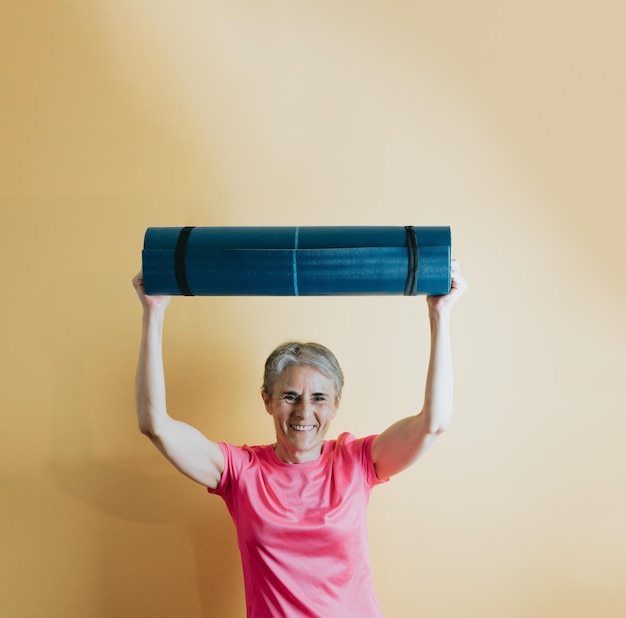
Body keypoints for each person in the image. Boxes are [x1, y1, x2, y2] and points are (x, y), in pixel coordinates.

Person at [132, 262, 467, 618]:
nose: (304, 412)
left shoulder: (357, 462)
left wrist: (440, 314)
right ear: (267, 400)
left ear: (336, 404)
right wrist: (153, 312)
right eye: (290, 396)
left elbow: (434, 423)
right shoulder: (241, 472)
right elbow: (155, 424)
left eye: (319, 398)